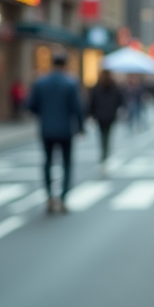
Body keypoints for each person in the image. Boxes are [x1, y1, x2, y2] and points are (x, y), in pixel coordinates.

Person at [27, 53, 85, 213]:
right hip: (66, 130)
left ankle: (49, 196)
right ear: (65, 64)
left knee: (47, 162)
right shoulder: (70, 83)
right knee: (66, 163)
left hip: (46, 129)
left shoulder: (40, 83)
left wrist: (44, 114)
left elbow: (31, 105)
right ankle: (64, 197)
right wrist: (81, 127)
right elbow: (77, 108)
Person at [87, 69, 125, 172]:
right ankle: (105, 155)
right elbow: (120, 101)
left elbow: (92, 102)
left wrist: (91, 114)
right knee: (107, 136)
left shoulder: (97, 87)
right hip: (110, 116)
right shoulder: (113, 87)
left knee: (102, 136)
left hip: (100, 116)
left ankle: (103, 156)